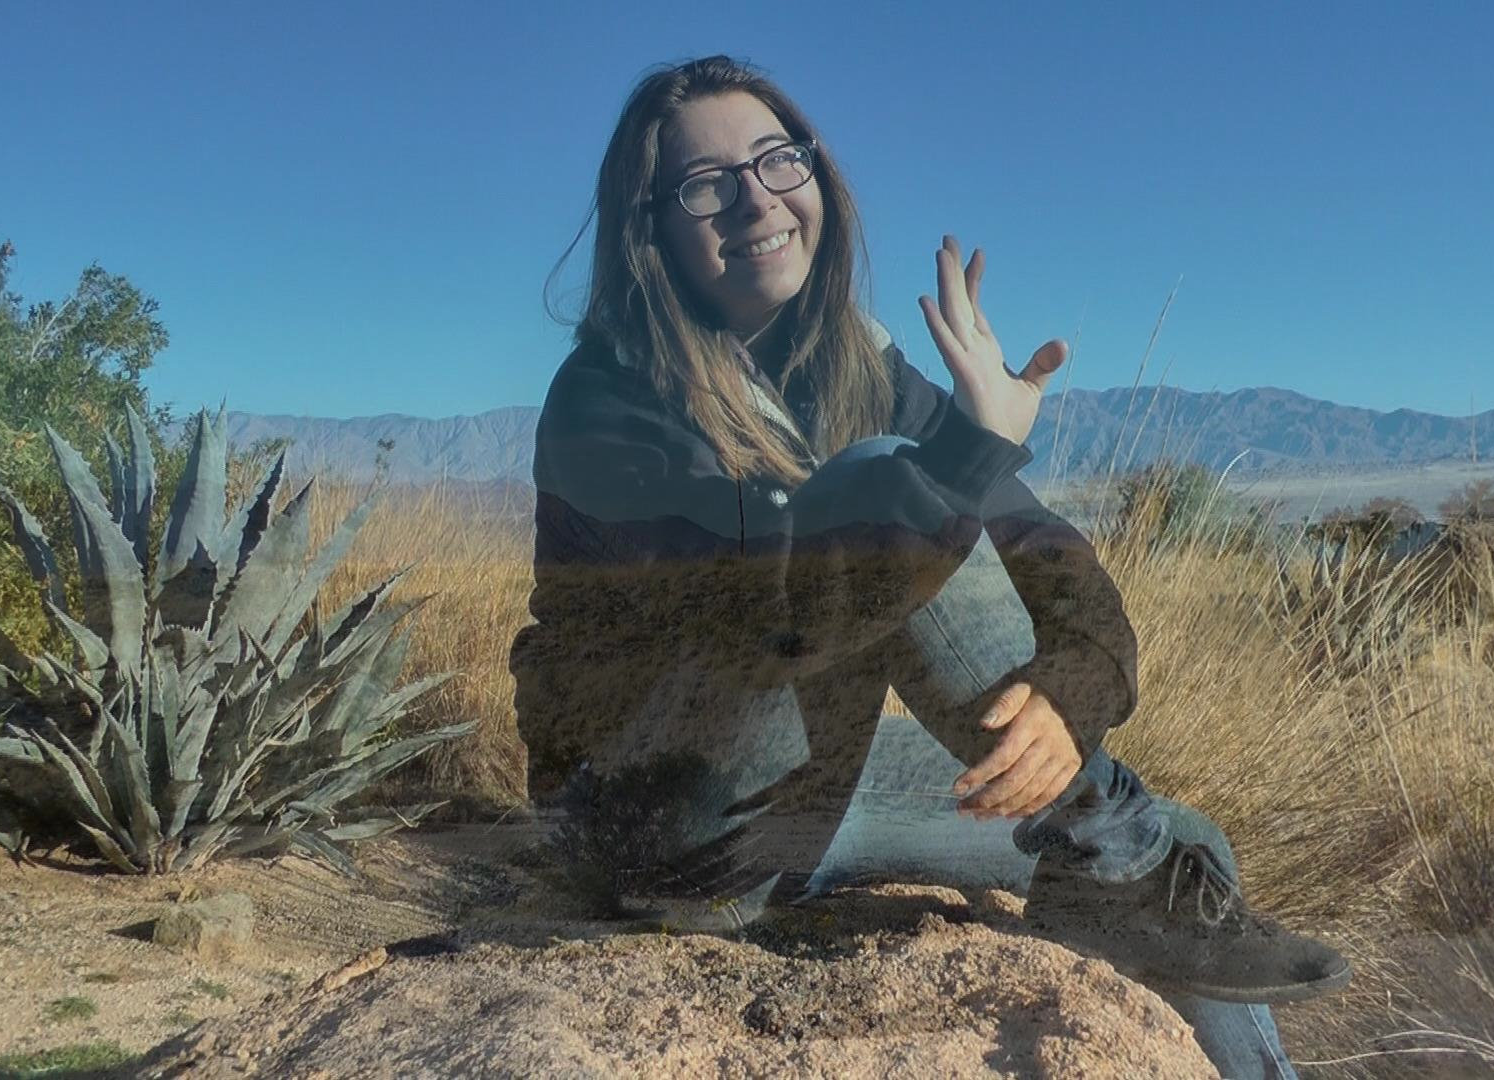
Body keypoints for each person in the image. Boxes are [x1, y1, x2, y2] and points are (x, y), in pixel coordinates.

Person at [509, 55, 1348, 1077]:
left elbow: (1054, 562)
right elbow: (774, 618)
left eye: (777, 160)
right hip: (655, 822)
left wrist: (1066, 697)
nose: (755, 200)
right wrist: (960, 457)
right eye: (705, 184)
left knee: (1178, 847)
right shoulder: (606, 401)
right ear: (652, 228)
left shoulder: (855, 366)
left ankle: (1132, 881)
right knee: (885, 486)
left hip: (797, 803)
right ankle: (1105, 840)